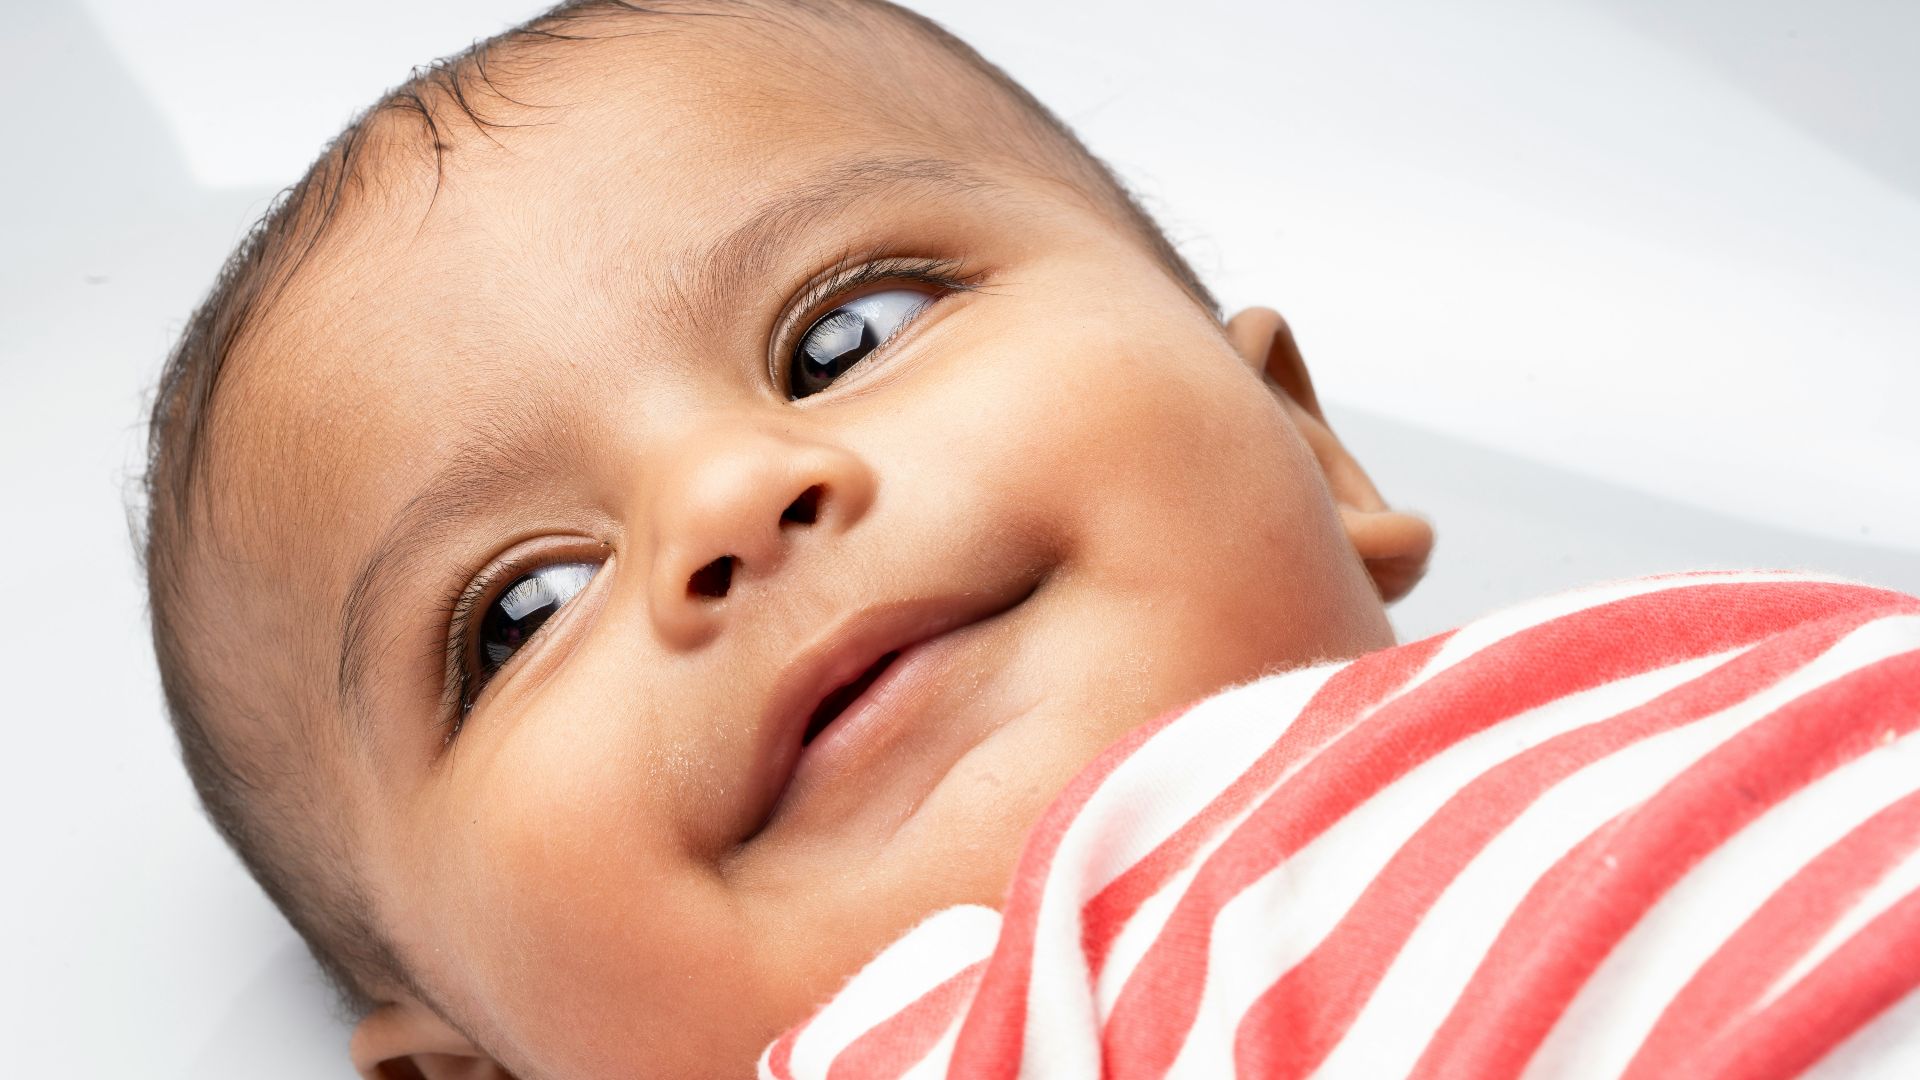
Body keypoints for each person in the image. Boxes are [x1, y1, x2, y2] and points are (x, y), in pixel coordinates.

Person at [138, 2, 1920, 1076]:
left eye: (849, 331)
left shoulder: (1705, 654)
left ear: (1307, 440)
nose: (728, 503)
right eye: (518, 611)